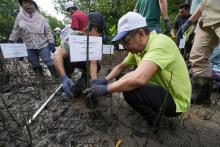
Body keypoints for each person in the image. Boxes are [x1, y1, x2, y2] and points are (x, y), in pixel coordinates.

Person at [84, 12, 191, 136]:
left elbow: (139, 78)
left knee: (132, 90)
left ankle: (154, 122)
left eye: (126, 41)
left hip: (175, 101)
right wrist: (105, 80)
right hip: (162, 92)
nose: (124, 46)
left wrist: (106, 89)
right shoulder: (139, 50)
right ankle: (152, 109)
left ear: (141, 34)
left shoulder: (160, 43)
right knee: (126, 79)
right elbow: (120, 67)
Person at [177, 0, 220, 105]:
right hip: (205, 18)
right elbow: (205, 3)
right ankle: (202, 96)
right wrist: (190, 21)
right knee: (197, 56)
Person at [53, 20, 104, 98]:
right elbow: (57, 55)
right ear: (85, 31)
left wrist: (94, 82)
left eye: (97, 38)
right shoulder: (74, 37)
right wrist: (63, 77)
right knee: (65, 61)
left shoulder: (97, 41)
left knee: (97, 65)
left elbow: (93, 63)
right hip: (72, 60)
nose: (93, 40)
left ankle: (82, 82)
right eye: (91, 37)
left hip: (85, 62)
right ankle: (67, 81)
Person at [9, 0, 56, 77]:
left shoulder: (41, 18)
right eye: (25, 3)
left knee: (47, 60)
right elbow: (16, 30)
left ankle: (55, 76)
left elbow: (47, 30)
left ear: (35, 6)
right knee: (33, 62)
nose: (28, 5)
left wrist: (51, 42)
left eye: (31, 4)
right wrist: (11, 40)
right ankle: (41, 79)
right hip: (28, 45)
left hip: (42, 43)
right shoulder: (19, 17)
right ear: (22, 4)